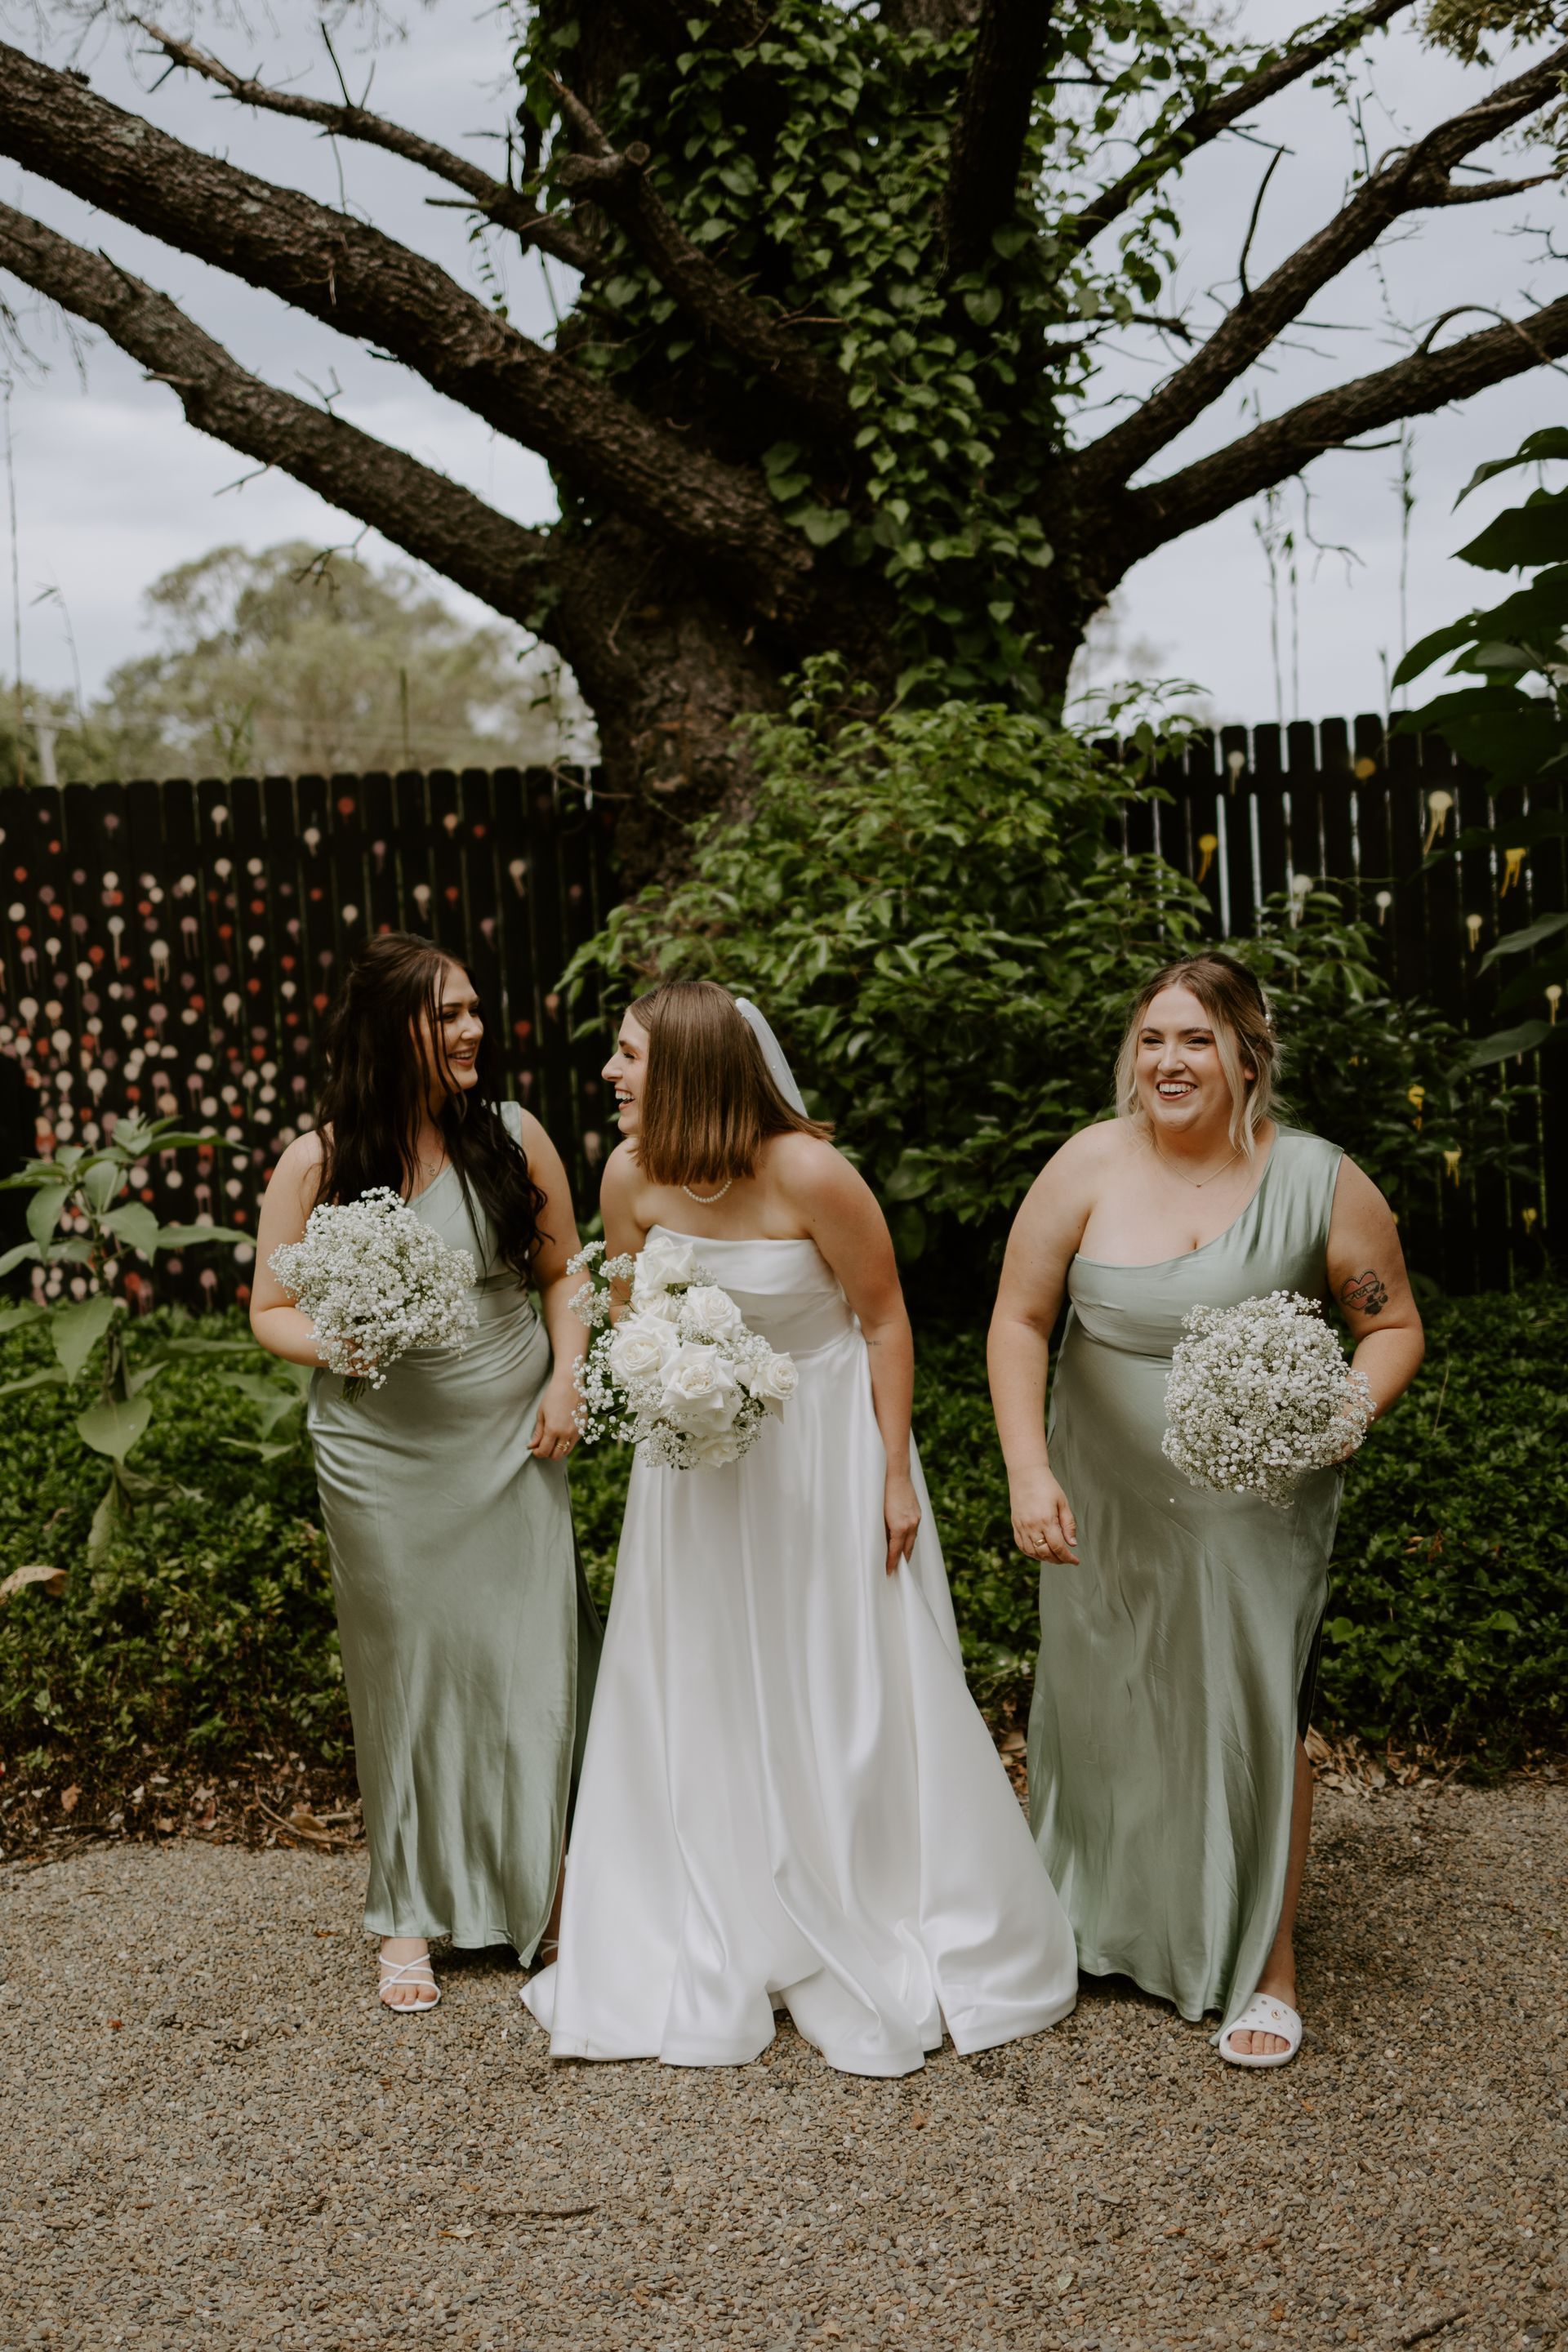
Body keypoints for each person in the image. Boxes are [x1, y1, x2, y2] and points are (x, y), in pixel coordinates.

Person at [523, 979, 1077, 2077]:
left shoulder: (812, 1173)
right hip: (697, 1466)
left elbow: (881, 1320)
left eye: (629, 1056)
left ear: (686, 1070)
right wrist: (664, 1387)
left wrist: (893, 1473)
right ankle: (715, 1906)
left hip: (825, 1446)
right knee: (704, 1675)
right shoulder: (629, 1176)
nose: (611, 1075)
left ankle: (871, 1890)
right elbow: (633, 1313)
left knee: (848, 1675)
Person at [987, 952, 1424, 2069]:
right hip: (1105, 1497)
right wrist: (1029, 1473)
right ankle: (1102, 1925)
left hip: (1252, 1507)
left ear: (1247, 1053)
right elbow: (1020, 1321)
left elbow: (1392, 1328)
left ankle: (1266, 1966)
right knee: (1106, 1697)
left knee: (1252, 1700)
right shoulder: (1086, 1162)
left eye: (1194, 1040)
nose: (1168, 1061)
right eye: (1151, 1040)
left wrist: (1335, 1420)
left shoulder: (1322, 1181)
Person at [251, 933, 599, 2013]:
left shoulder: (514, 1138)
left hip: (511, 1437)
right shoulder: (317, 1163)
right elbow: (268, 1311)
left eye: (473, 1012)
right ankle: (406, 1907)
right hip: (381, 1457)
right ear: (388, 1027)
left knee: (529, 1660)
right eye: (447, 1014)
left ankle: (541, 1892)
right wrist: (336, 1343)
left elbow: (566, 1275)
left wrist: (568, 1380)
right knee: (403, 1673)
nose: (472, 1032)